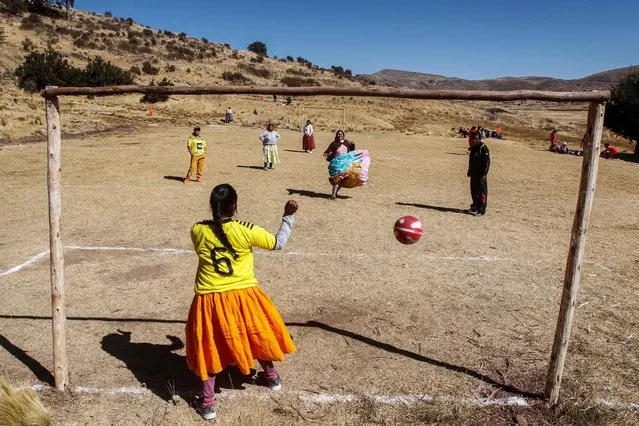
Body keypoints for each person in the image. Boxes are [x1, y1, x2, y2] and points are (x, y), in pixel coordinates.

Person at [185, 184, 298, 421]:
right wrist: (288, 216)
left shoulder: (197, 230)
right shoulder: (246, 229)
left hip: (210, 298)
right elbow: (278, 243)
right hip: (244, 295)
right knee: (256, 333)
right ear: (234, 206)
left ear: (211, 204)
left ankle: (208, 403)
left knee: (209, 346)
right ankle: (272, 377)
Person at [323, 130, 371, 199]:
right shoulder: (334, 143)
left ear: (343, 135)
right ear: (336, 135)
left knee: (343, 179)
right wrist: (326, 154)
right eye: (338, 134)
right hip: (337, 164)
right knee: (338, 178)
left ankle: (335, 193)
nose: (340, 135)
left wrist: (353, 147)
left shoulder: (346, 142)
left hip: (346, 163)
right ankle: (333, 195)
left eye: (341, 134)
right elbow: (328, 151)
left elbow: (350, 152)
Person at [467, 132, 490, 216]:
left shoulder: (483, 148)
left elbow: (487, 162)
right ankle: (475, 206)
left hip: (481, 174)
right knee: (474, 190)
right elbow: (471, 160)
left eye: (476, 139)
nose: (474, 140)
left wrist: (484, 173)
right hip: (474, 173)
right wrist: (469, 170)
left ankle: (481, 209)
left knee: (482, 191)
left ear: (480, 139)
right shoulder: (473, 148)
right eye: (473, 138)